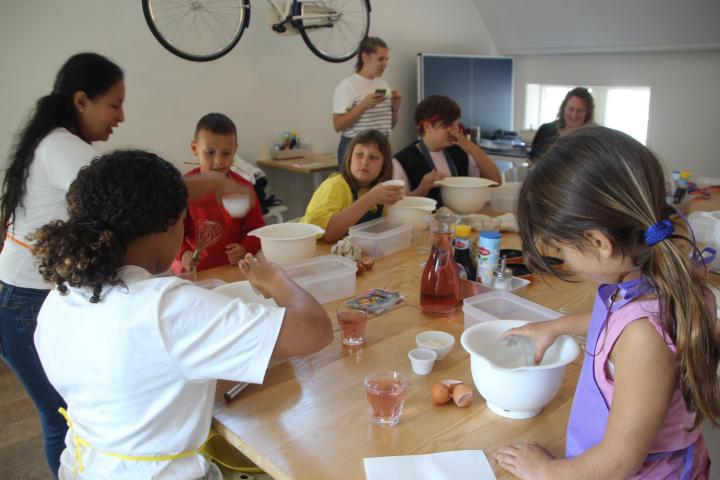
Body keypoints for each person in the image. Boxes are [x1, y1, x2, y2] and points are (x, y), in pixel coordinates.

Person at [31, 150, 333, 479]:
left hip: (84, 466)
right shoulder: (166, 309)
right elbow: (314, 330)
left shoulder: (60, 297)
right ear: (166, 227)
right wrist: (276, 280)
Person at [493, 127, 719, 479]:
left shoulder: (644, 338)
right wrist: (554, 327)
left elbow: (617, 463)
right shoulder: (644, 276)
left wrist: (546, 471)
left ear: (599, 242)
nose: (564, 262)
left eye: (562, 253)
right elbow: (614, 320)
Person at [0, 52, 125, 477]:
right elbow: (116, 205)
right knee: (63, 415)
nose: (120, 116)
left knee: (68, 412)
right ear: (81, 100)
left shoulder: (51, 142)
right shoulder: (61, 145)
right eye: (113, 104)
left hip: (26, 297)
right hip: (24, 303)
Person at [176, 113, 265, 273]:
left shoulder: (242, 189)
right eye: (210, 153)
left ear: (235, 150)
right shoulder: (183, 190)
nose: (218, 161)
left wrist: (245, 248)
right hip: (195, 273)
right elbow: (171, 233)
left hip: (233, 270)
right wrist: (183, 253)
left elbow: (258, 231)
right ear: (194, 148)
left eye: (226, 153)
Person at [392, 95, 501, 207]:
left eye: (456, 124)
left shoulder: (460, 151)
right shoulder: (401, 161)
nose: (455, 130)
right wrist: (421, 189)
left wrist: (473, 149)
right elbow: (397, 206)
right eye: (447, 125)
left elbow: (495, 183)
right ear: (428, 126)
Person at [301, 129, 403, 242]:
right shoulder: (335, 185)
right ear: (349, 158)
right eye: (359, 155)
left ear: (384, 165)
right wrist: (371, 198)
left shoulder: (378, 189)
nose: (364, 162)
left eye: (373, 157)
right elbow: (327, 234)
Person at [332, 36, 401, 167]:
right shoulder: (347, 85)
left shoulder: (384, 85)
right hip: (356, 149)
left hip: (381, 146)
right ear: (365, 57)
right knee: (354, 188)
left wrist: (395, 108)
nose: (385, 64)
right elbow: (338, 125)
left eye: (386, 59)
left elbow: (388, 126)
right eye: (380, 59)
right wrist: (363, 106)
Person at [529, 87, 595, 162]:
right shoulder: (545, 129)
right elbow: (532, 160)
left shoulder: (591, 139)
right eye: (571, 109)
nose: (574, 115)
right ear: (564, 108)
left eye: (580, 111)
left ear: (587, 113)